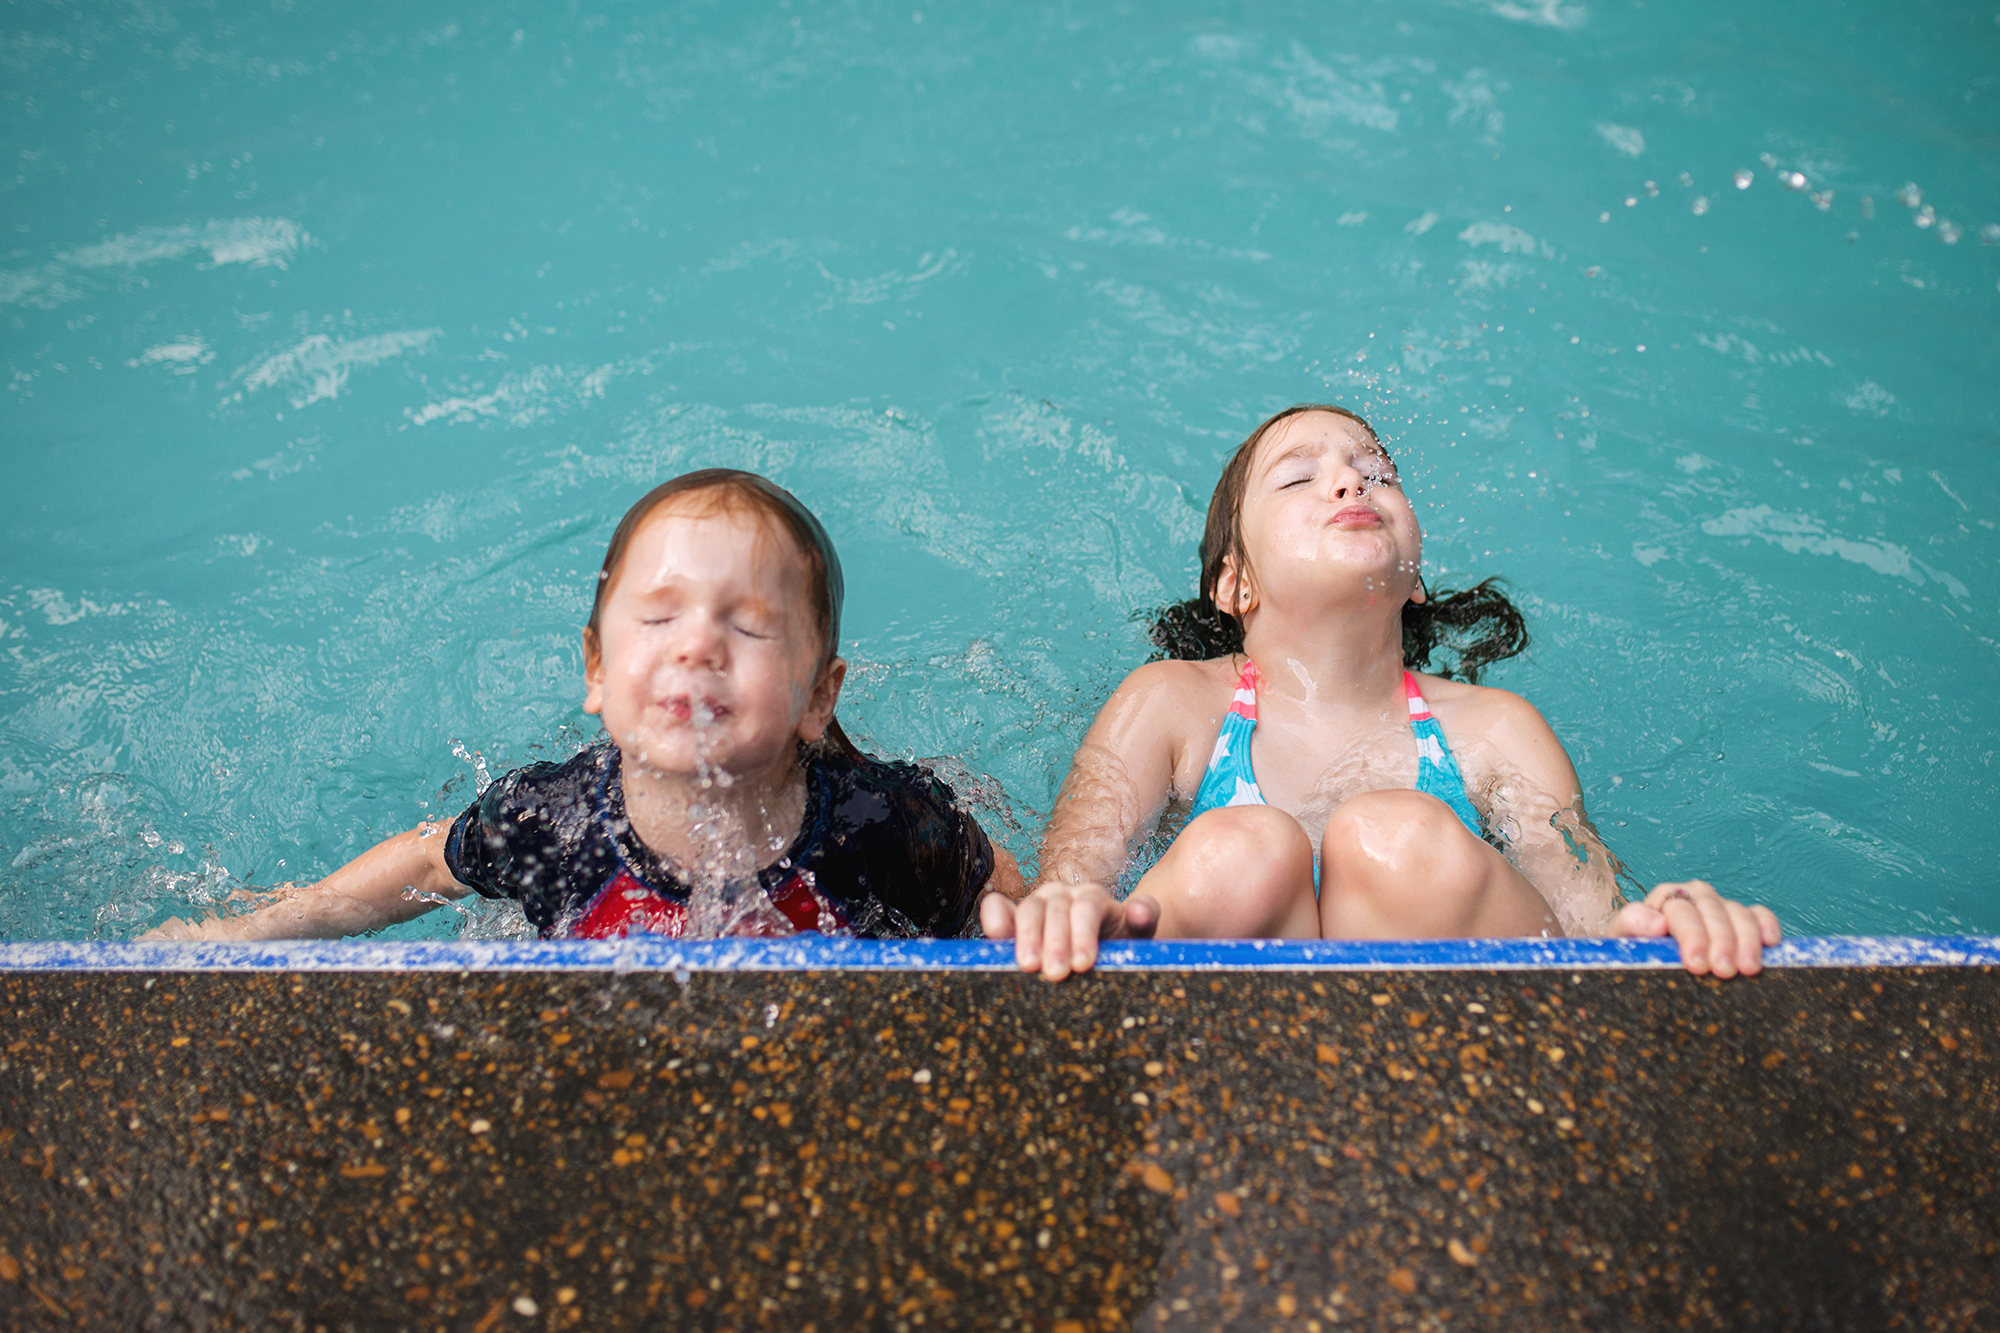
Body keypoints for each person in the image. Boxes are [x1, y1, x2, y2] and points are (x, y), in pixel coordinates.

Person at [981, 404, 1780, 981]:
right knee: (1244, 851)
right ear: (1236, 583)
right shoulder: (1169, 704)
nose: (1348, 485)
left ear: (1418, 578)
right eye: (1300, 478)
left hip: (1456, 1037)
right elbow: (1073, 886)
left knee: (1395, 838)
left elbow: (1590, 925)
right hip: (1228, 1031)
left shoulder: (1496, 729)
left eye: (1378, 475)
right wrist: (1064, 914)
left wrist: (1664, 926)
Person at [147, 469, 1022, 942]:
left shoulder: (881, 823)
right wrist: (259, 925)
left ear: (816, 697)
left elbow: (997, 887)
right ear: (596, 669)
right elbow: (422, 866)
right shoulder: (555, 821)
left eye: (749, 626)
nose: (697, 645)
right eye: (660, 615)